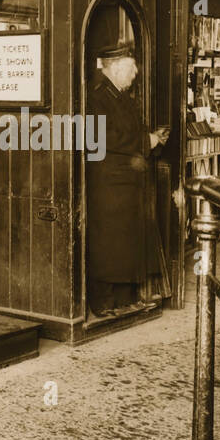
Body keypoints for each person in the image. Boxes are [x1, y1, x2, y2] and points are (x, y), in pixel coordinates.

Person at [85, 40, 170, 317]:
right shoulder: (96, 97)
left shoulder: (122, 97)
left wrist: (153, 137)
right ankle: (102, 303)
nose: (135, 75)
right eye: (132, 69)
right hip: (109, 182)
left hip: (125, 182)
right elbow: (104, 137)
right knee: (108, 244)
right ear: (118, 68)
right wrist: (146, 139)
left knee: (125, 244)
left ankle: (124, 300)